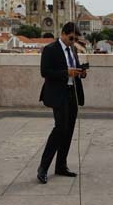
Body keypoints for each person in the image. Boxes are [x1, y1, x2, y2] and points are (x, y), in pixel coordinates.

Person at [36, 22, 87, 184]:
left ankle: (61, 166)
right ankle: (43, 168)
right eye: (72, 38)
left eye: (76, 39)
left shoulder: (73, 49)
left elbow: (75, 68)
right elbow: (45, 72)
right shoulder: (50, 49)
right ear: (64, 34)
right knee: (59, 129)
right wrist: (67, 73)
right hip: (58, 94)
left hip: (72, 93)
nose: (73, 41)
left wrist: (81, 72)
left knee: (69, 130)